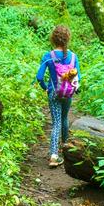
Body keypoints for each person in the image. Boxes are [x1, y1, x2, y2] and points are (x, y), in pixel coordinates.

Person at [36, 25, 80, 167]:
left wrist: (46, 88)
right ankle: (66, 149)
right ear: (68, 39)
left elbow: (39, 77)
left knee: (56, 123)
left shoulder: (48, 56)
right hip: (67, 93)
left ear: (53, 39)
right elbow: (78, 77)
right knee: (65, 118)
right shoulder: (73, 56)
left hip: (54, 92)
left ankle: (54, 155)